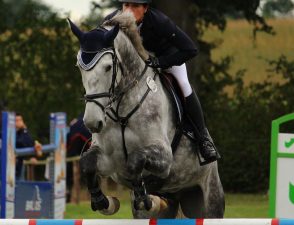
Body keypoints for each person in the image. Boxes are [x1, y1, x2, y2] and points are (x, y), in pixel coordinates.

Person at [103, 0, 220, 164]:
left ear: (145, 9)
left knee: (184, 84)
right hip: (134, 66)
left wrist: (161, 62)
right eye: (126, 5)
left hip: (165, 57)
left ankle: (203, 139)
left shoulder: (160, 22)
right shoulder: (112, 21)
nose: (128, 11)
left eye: (135, 6)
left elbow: (190, 49)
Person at [66, 114, 91, 202]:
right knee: (89, 170)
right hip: (87, 150)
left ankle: (68, 192)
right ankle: (91, 193)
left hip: (72, 152)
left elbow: (67, 140)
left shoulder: (73, 125)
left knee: (69, 171)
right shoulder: (86, 122)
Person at [15, 113, 42, 180]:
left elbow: (29, 142)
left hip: (17, 169)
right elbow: (20, 142)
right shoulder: (7, 132)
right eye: (17, 120)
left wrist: (24, 129)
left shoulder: (23, 132)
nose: (19, 122)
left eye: (21, 120)